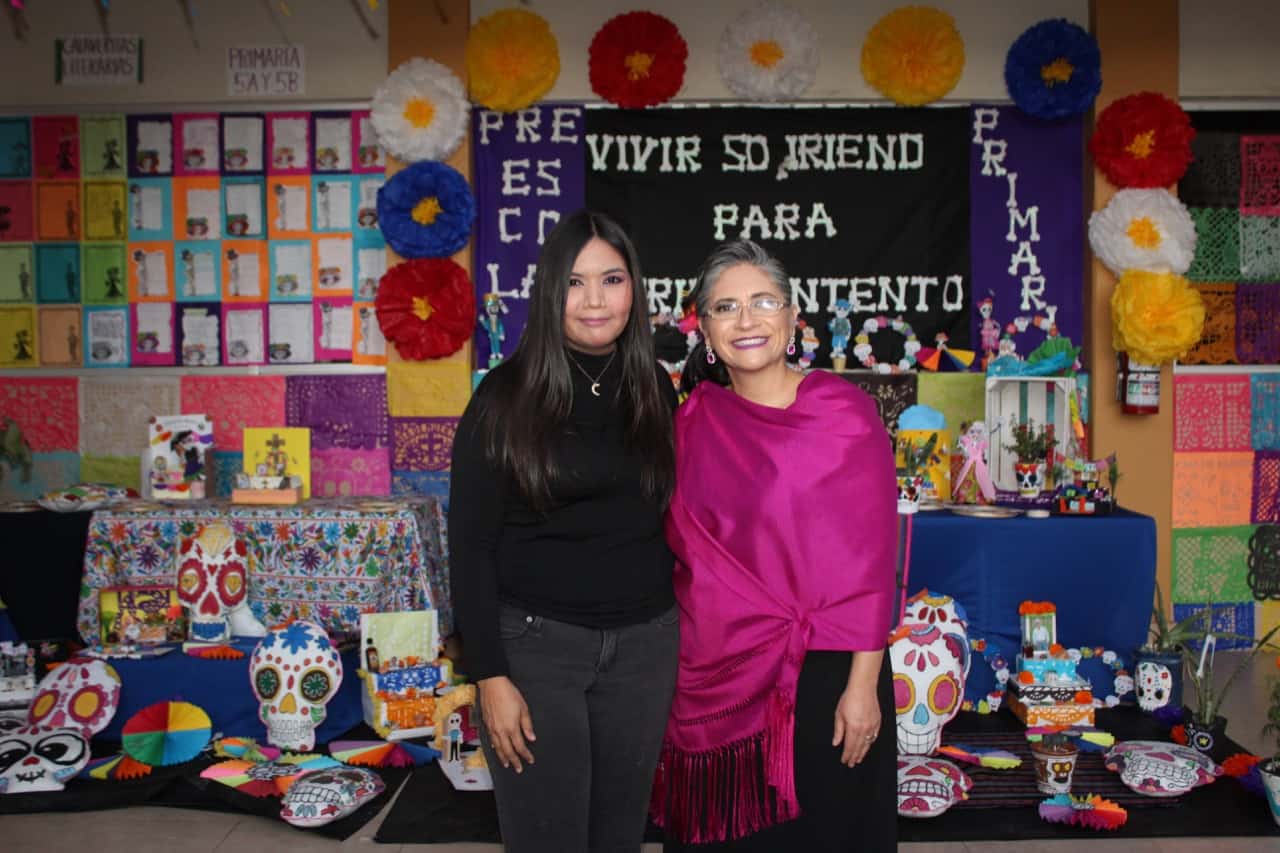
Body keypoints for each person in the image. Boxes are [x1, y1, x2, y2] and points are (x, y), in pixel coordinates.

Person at [654, 240, 898, 852]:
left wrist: (864, 687)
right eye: (725, 307)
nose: (746, 320)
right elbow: (680, 554)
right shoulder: (691, 425)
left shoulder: (845, 414)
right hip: (722, 674)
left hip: (832, 675)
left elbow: (872, 562)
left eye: (763, 302)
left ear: (792, 319)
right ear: (704, 329)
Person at [449, 209, 680, 852]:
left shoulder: (655, 390)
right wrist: (490, 679)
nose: (595, 300)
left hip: (646, 648)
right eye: (576, 282)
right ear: (551, 291)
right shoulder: (503, 397)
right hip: (535, 651)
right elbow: (469, 548)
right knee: (546, 837)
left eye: (611, 279)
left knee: (619, 837)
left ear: (634, 288)